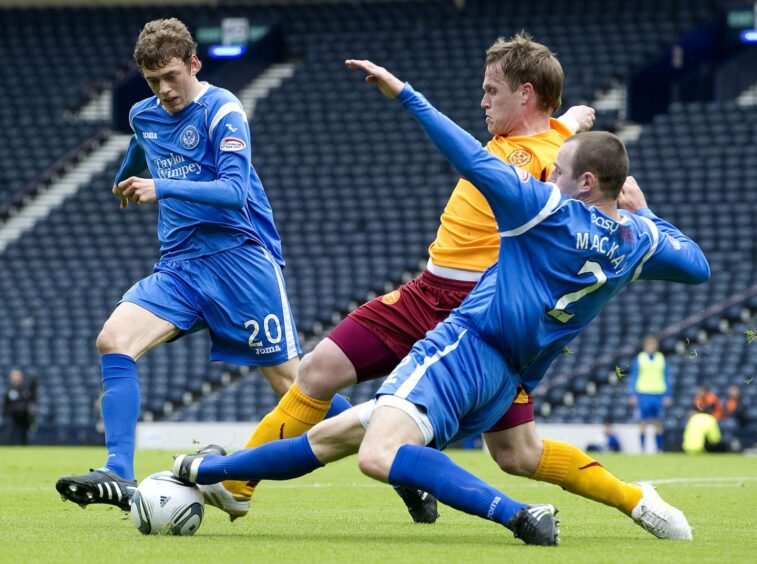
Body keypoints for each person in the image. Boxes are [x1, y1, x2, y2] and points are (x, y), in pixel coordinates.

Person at [172, 59, 709, 545]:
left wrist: (407, 93)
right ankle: (217, 476)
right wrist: (639, 206)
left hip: (465, 326)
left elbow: (485, 159)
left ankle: (517, 514)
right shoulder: (635, 239)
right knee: (333, 395)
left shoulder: (544, 201)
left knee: (388, 450)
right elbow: (694, 264)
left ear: (526, 95)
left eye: (490, 90)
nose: (481, 100)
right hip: (489, 339)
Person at [55, 18, 349, 511]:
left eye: (172, 75)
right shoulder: (144, 114)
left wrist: (158, 187)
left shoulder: (223, 110)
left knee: (296, 385)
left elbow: (234, 193)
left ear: (194, 63)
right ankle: (119, 473)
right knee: (113, 339)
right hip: (181, 267)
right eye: (154, 81)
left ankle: (388, 445)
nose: (165, 89)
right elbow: (142, 143)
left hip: (241, 262)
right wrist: (126, 178)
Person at [628, 335, 671, 453]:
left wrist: (668, 394)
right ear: (645, 345)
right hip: (643, 393)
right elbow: (633, 377)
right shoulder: (639, 359)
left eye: (654, 344)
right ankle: (642, 449)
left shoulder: (662, 358)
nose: (652, 346)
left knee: (658, 422)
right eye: (649, 344)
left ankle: (659, 449)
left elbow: (666, 377)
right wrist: (633, 394)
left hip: (658, 394)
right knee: (643, 421)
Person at [2, 369, 36, 445]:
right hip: (12, 416)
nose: (16, 379)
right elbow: (6, 405)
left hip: (24, 416)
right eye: (14, 377)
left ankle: (25, 448)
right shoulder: (8, 390)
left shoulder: (26, 389)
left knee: (24, 436)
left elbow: (32, 399)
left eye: (18, 376)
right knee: (9, 434)